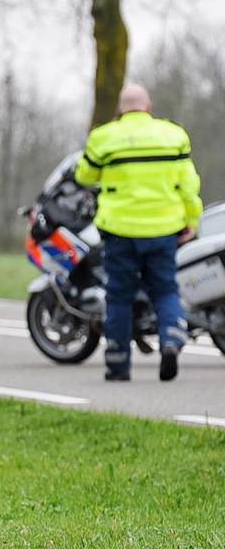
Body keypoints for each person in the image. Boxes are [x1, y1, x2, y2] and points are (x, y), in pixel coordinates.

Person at [75, 84, 203, 382]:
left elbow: (84, 176)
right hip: (164, 228)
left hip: (119, 230)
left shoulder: (104, 137)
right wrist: (191, 219)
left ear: (121, 109)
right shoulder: (173, 135)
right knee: (166, 290)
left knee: (119, 296)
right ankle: (171, 340)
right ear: (149, 106)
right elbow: (188, 184)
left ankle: (118, 365)